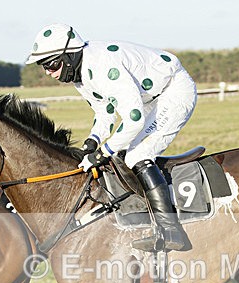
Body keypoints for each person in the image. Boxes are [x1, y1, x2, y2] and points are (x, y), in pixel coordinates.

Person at [25, 23, 196, 251]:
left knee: (137, 155)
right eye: (43, 66)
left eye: (51, 64)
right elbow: (104, 112)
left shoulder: (102, 65)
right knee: (121, 153)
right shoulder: (79, 75)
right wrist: (92, 142)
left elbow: (133, 118)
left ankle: (171, 231)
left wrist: (103, 152)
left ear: (70, 55)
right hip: (149, 99)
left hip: (172, 92)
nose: (48, 71)